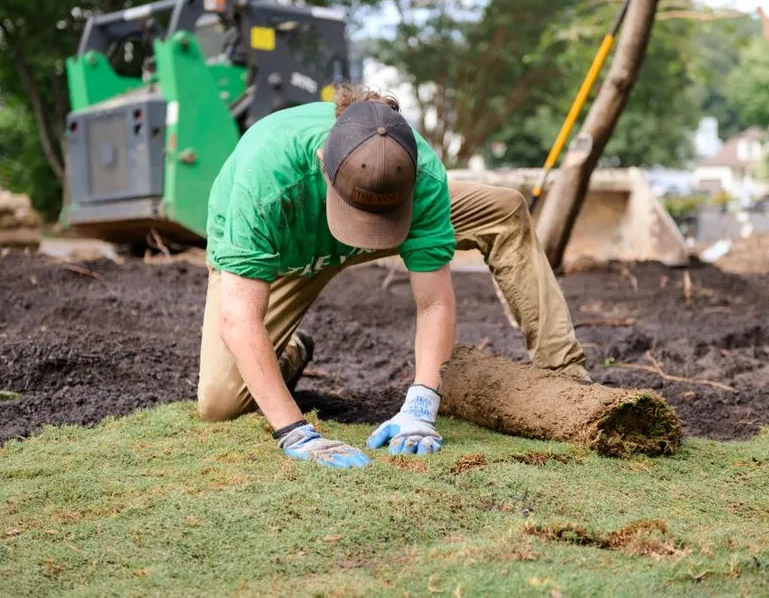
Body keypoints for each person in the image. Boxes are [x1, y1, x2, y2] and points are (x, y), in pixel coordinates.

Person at [199, 86, 588, 469]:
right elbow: (239, 319)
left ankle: (564, 374)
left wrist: (422, 404)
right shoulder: (266, 181)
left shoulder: (420, 174)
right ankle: (290, 349)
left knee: (503, 210)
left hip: (379, 218)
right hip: (284, 255)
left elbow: (433, 300)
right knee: (220, 403)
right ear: (322, 162)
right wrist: (295, 431)